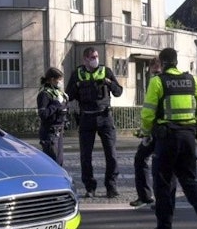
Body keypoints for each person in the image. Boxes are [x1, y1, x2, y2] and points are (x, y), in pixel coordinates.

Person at [141, 47, 197, 229]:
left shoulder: (158, 81)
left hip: (167, 138)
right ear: (176, 61)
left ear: (162, 62)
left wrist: (147, 132)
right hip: (188, 137)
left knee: (163, 183)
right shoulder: (192, 80)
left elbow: (148, 113)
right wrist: (196, 126)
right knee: (190, 181)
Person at [66, 46, 123, 198]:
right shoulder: (77, 73)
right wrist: (77, 86)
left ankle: (111, 186)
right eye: (92, 57)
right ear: (85, 59)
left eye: (96, 57)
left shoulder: (106, 71)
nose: (95, 60)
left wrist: (109, 83)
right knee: (85, 156)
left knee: (111, 154)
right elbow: (68, 95)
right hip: (86, 118)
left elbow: (118, 91)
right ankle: (90, 187)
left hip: (105, 117)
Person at [131, 58, 162, 207]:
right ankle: (160, 200)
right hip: (171, 130)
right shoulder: (172, 81)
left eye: (156, 69)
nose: (154, 73)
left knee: (143, 160)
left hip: (157, 130)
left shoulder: (156, 82)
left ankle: (146, 196)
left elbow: (149, 110)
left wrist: (145, 132)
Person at [36, 67, 68, 166]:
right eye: (59, 79)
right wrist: (55, 104)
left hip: (59, 130)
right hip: (50, 132)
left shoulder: (58, 92)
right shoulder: (44, 94)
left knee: (59, 161)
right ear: (52, 79)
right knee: (53, 161)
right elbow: (43, 114)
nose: (60, 82)